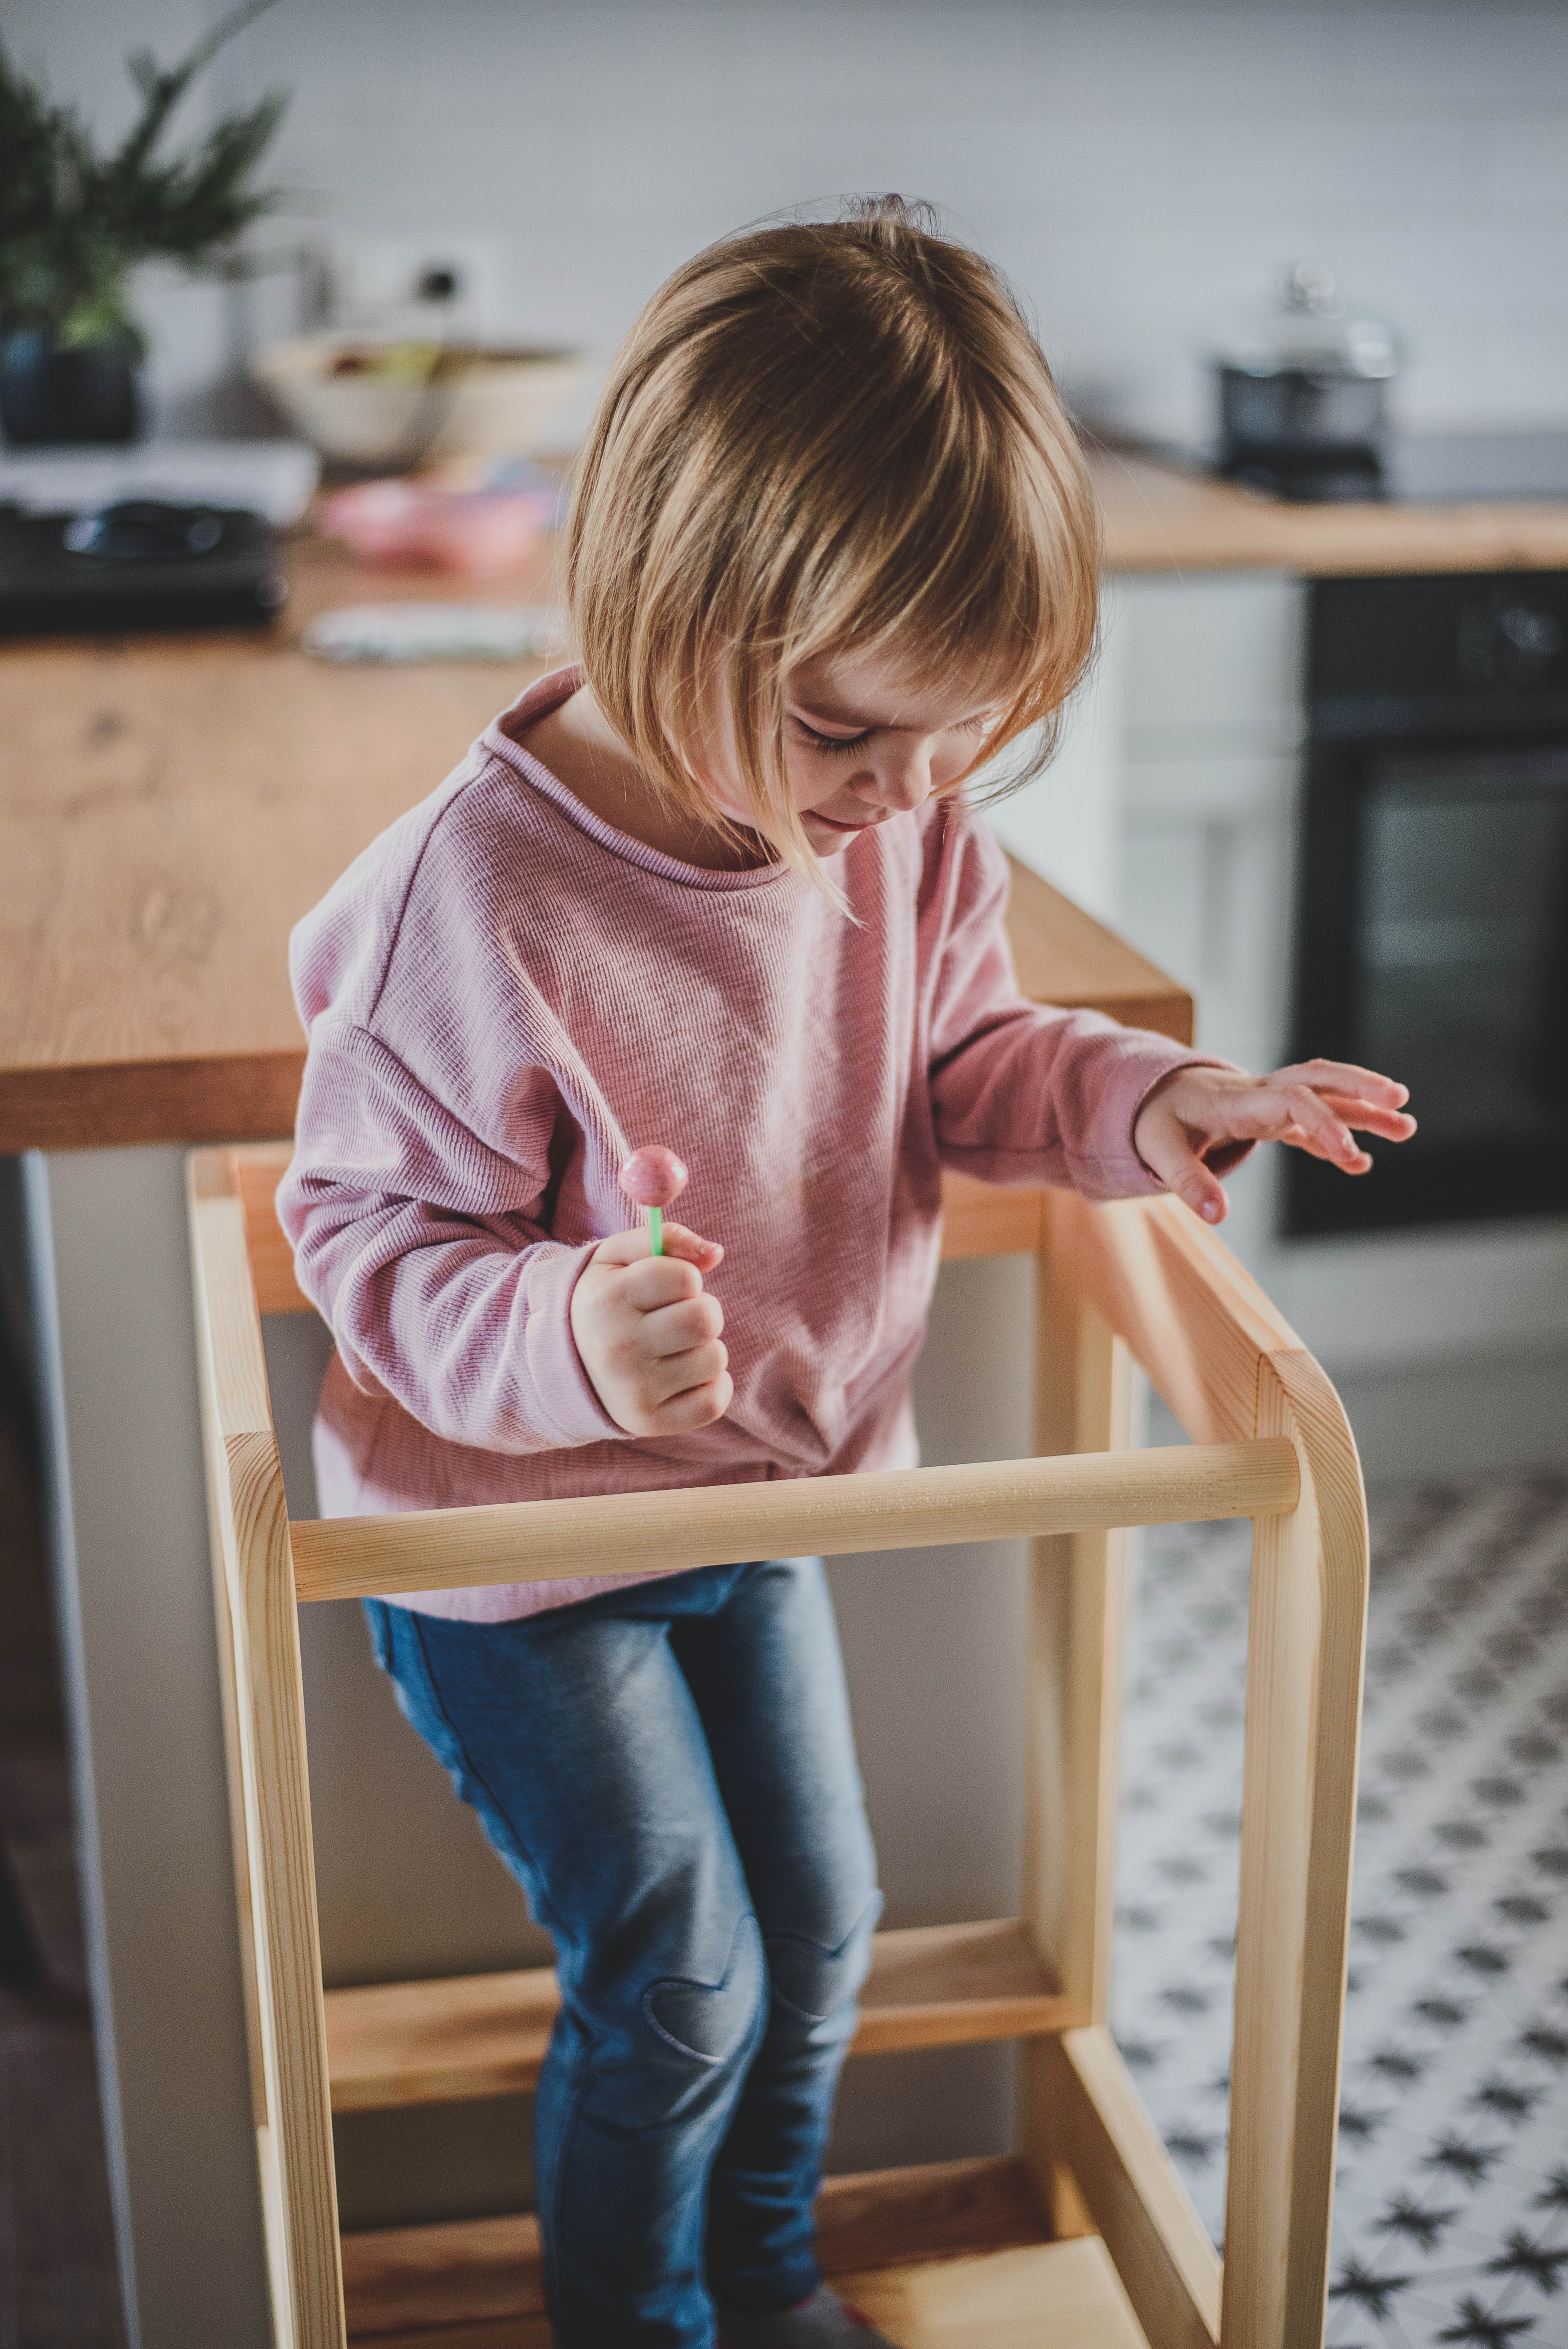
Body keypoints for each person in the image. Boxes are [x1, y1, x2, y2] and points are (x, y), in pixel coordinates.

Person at [278, 198, 1413, 2349]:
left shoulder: (903, 817)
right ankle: (643, 2323)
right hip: (507, 1546)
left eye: (948, 748)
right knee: (683, 1965)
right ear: (669, 612)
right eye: (843, 737)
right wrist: (567, 1337)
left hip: (773, 1498)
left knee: (823, 1934)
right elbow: (358, 1238)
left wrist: (1150, 1102)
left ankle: (773, 2278)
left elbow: (966, 1059)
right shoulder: (481, 887)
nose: (897, 801)